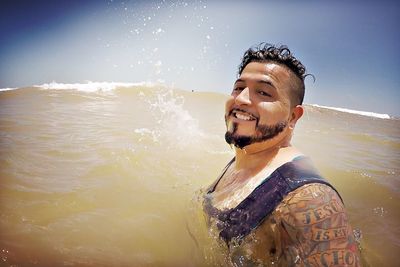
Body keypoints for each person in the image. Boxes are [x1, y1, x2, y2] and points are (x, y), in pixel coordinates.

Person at [203, 43, 361, 266]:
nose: (241, 99)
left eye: (263, 92)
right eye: (239, 88)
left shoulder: (309, 199)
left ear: (293, 117)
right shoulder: (244, 156)